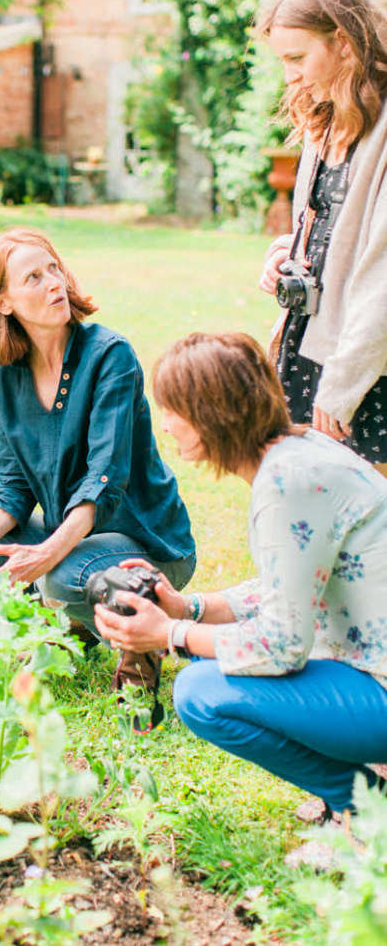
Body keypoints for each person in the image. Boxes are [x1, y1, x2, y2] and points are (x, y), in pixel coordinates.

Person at [95, 332, 387, 816]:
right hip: (365, 658)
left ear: (212, 415)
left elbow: (280, 647)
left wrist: (169, 633)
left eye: (172, 410)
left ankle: (364, 809)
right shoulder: (299, 449)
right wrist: (191, 608)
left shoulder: (287, 483)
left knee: (203, 693)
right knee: (212, 660)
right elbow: (292, 586)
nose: (165, 426)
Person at [0, 227, 195, 689]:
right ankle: (77, 627)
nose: (54, 284)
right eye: (33, 278)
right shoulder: (2, 376)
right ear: (2, 302)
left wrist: (45, 554)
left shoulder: (110, 356)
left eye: (54, 269)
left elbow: (105, 480)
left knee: (60, 576)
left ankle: (140, 637)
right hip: (77, 535)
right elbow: (15, 484)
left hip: (146, 542)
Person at [257, 0, 387, 472]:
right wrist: (287, 255)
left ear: (345, 45)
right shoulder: (324, 115)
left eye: (297, 57)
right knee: (314, 519)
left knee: (370, 530)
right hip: (310, 345)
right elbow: (336, 235)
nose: (289, 75)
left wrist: (342, 386)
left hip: (366, 363)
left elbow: (380, 277)